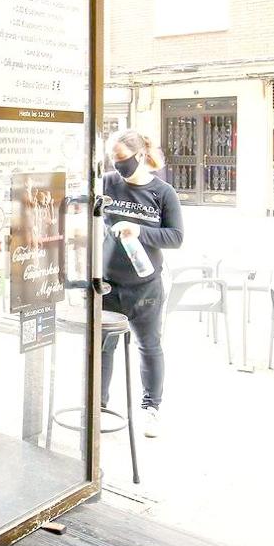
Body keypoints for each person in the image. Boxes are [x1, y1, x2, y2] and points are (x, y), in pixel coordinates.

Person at [100, 130, 183, 438]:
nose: (116, 164)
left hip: (146, 286)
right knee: (104, 347)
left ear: (139, 155)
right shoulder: (108, 184)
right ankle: (100, 405)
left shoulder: (162, 193)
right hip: (108, 284)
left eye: (121, 158)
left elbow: (176, 237)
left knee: (148, 346)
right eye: (112, 159)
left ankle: (151, 409)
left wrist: (138, 230)